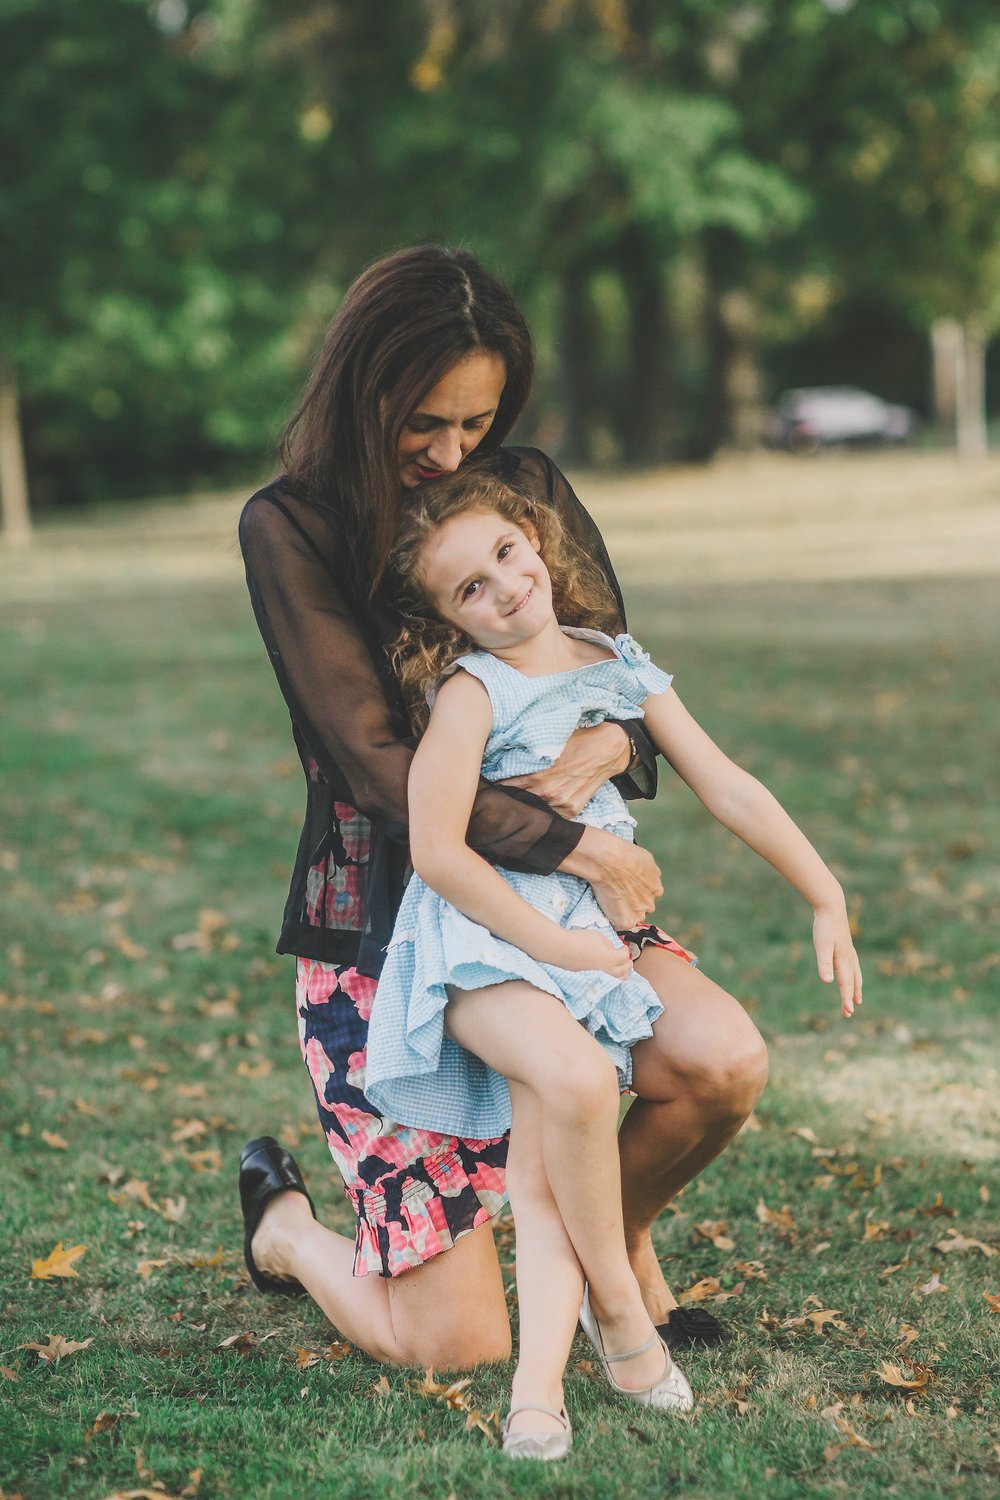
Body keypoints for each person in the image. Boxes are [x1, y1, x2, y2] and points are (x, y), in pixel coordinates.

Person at [236, 244, 779, 1377]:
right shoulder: (292, 526)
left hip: (547, 899)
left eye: (474, 425)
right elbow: (381, 774)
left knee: (718, 1063)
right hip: (389, 933)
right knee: (461, 1347)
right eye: (422, 424)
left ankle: (606, 1252)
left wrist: (615, 743)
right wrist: (577, 835)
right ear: (360, 389)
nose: (449, 455)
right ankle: (287, 1235)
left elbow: (609, 683)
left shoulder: (522, 488)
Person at [360, 469, 861, 1456]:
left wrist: (823, 889)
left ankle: (536, 1394)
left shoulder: (614, 663)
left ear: (534, 537)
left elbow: (725, 785)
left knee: (550, 1171)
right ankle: (625, 1317)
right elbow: (435, 850)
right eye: (468, 587)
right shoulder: (470, 693)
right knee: (581, 1083)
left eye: (506, 552)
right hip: (484, 947)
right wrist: (552, 943)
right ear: (445, 618)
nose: (503, 587)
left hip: (587, 948)